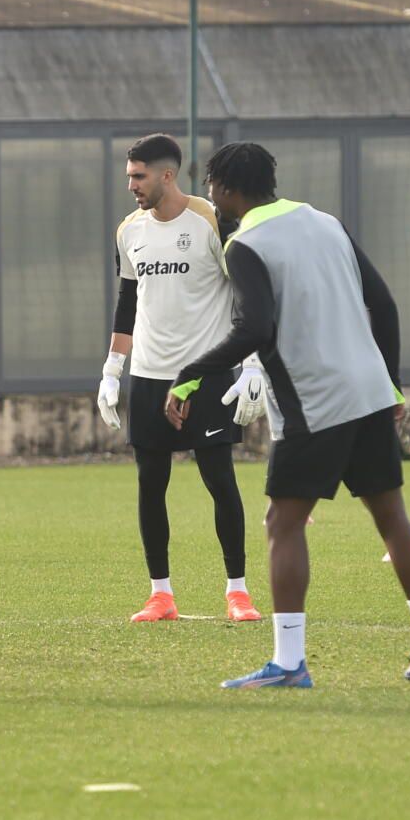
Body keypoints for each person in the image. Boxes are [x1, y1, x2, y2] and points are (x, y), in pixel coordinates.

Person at [170, 142, 410, 687]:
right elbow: (385, 304)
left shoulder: (245, 242)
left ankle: (289, 662)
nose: (209, 195)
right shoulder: (325, 222)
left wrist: (191, 373)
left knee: (283, 522)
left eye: (209, 184)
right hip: (368, 393)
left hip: (316, 402)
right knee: (392, 516)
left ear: (225, 189)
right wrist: (389, 383)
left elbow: (254, 329)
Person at [97, 132, 263, 624]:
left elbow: (245, 296)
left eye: (138, 176)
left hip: (208, 375)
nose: (131, 185)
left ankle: (238, 592)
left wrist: (251, 365)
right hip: (147, 377)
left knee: (220, 480)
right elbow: (127, 303)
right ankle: (160, 594)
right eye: (129, 176)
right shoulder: (129, 230)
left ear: (167, 175)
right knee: (151, 483)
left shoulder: (212, 220)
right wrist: (112, 371)